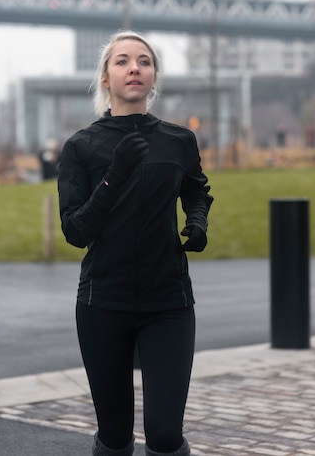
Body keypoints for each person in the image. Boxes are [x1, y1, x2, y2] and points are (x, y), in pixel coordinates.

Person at [58, 31, 213, 456]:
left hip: (168, 302)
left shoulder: (178, 140)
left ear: (153, 76)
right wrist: (115, 175)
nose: (134, 68)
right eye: (122, 61)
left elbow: (197, 190)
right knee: (115, 433)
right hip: (103, 301)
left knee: (164, 433)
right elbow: (75, 230)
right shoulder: (81, 146)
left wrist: (197, 221)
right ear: (106, 78)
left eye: (144, 61)